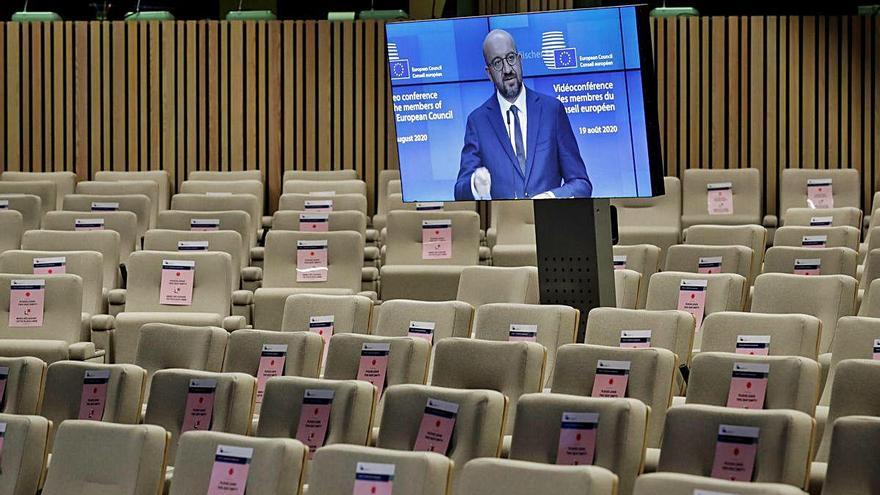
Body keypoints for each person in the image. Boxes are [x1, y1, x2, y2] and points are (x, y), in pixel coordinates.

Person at [454, 29, 592, 200]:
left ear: (520, 61)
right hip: (505, 225)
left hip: (548, 223)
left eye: (511, 58)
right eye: (497, 63)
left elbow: (581, 183)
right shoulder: (478, 122)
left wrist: (551, 197)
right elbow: (460, 191)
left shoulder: (552, 111)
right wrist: (475, 184)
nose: (507, 70)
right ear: (489, 73)